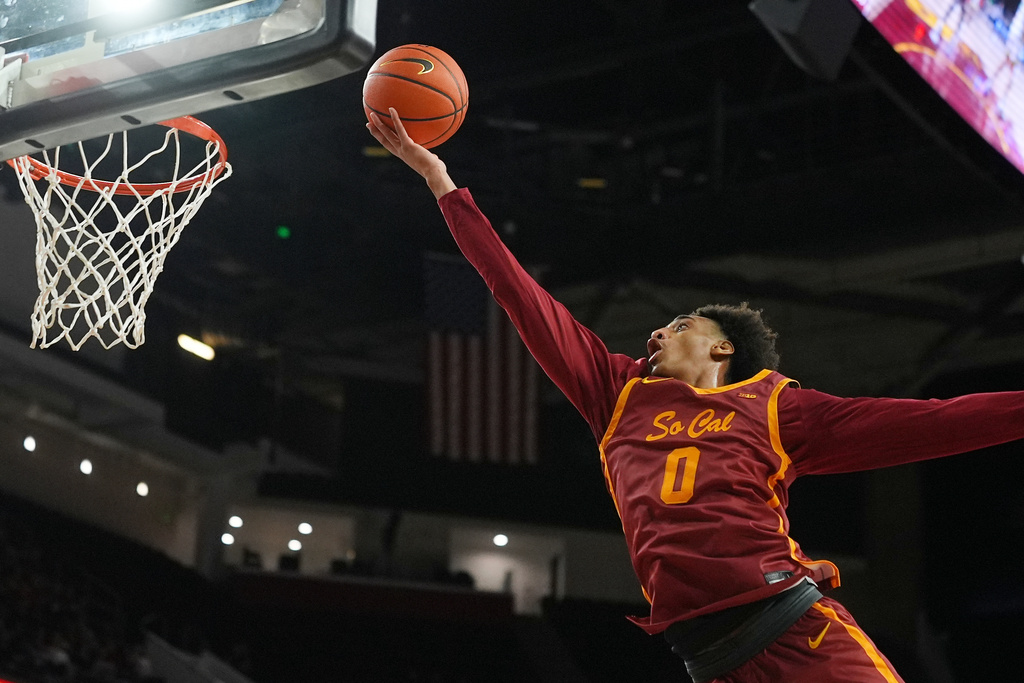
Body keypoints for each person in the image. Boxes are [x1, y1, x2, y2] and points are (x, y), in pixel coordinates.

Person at [366, 109, 1024, 682]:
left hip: (798, 636)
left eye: (680, 324)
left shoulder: (775, 407)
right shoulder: (617, 393)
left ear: (722, 350)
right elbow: (521, 296)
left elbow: (937, 422)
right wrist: (441, 184)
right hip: (711, 661)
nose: (656, 330)